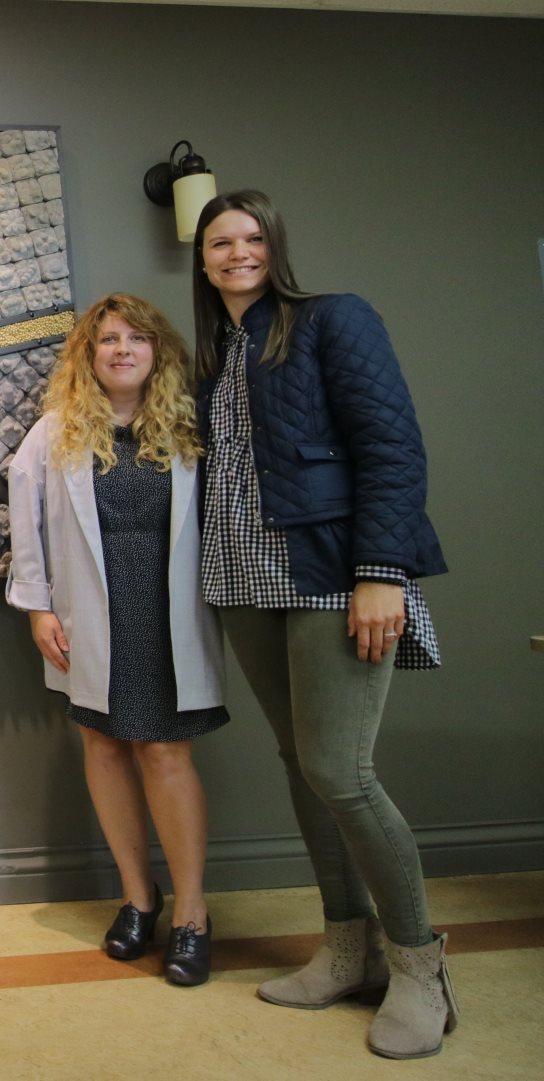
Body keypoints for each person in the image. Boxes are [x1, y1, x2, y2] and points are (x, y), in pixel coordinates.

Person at [192, 190, 452, 1059]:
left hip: (330, 575)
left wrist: (381, 570)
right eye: (220, 241)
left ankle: (419, 967)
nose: (237, 252)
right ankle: (349, 948)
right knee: (301, 766)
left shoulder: (332, 319)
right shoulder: (215, 355)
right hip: (241, 579)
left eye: (252, 237)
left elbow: (393, 446)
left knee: (341, 770)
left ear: (276, 246)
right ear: (202, 260)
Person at [7, 294, 227, 987]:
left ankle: (192, 913)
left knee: (165, 751)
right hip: (88, 616)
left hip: (169, 612)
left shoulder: (192, 426)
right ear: (89, 355)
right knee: (103, 745)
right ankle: (139, 897)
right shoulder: (55, 432)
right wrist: (37, 608)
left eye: (137, 338)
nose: (122, 349)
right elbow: (25, 519)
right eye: (108, 339)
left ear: (158, 351)